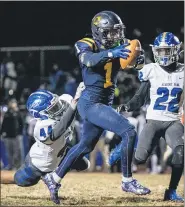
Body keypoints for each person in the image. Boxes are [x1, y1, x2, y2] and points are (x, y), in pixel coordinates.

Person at [42, 11, 150, 204]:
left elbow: (133, 66)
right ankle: (127, 180)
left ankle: (54, 178)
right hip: (91, 101)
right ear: (99, 32)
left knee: (85, 146)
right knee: (129, 131)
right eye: (110, 32)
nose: (116, 37)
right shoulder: (85, 43)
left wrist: (138, 62)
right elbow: (88, 60)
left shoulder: (118, 44)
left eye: (117, 32)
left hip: (105, 100)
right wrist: (111, 53)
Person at [109, 32, 184, 202]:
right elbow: (140, 97)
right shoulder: (151, 70)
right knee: (140, 159)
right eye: (160, 51)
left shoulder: (182, 71)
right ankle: (122, 149)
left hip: (173, 120)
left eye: (166, 51)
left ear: (175, 51)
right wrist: (126, 106)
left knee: (180, 151)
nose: (163, 55)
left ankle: (171, 191)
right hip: (153, 120)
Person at [14, 83, 90, 202]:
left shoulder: (64, 101)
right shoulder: (42, 127)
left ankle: (53, 173)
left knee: (84, 164)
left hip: (61, 152)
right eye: (53, 108)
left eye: (57, 104)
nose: (59, 108)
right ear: (40, 115)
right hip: (42, 163)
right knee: (20, 180)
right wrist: (75, 101)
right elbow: (61, 127)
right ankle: (45, 176)